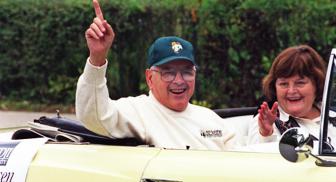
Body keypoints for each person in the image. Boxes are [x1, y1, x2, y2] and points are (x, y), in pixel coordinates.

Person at [76, 0, 236, 150]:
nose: (179, 81)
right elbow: (94, 116)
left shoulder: (210, 117)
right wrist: (97, 57)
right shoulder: (138, 111)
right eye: (169, 73)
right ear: (150, 78)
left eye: (187, 72)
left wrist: (262, 133)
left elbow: (241, 158)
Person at [247, 45, 336, 151]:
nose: (291, 91)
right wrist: (266, 134)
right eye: (283, 84)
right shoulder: (265, 122)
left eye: (300, 83)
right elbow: (259, 167)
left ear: (316, 84)